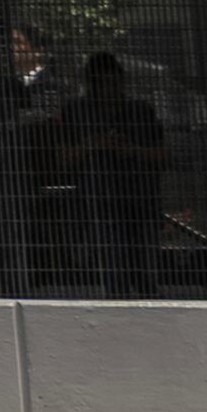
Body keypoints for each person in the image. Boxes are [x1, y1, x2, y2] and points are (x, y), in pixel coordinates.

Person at [59, 50, 165, 292]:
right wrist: (94, 144)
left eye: (114, 83)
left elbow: (164, 156)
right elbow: (63, 159)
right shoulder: (76, 112)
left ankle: (147, 298)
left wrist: (133, 150)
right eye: (102, 84)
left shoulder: (141, 111)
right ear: (92, 85)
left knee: (146, 273)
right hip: (99, 205)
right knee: (112, 269)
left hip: (141, 201)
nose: (109, 91)